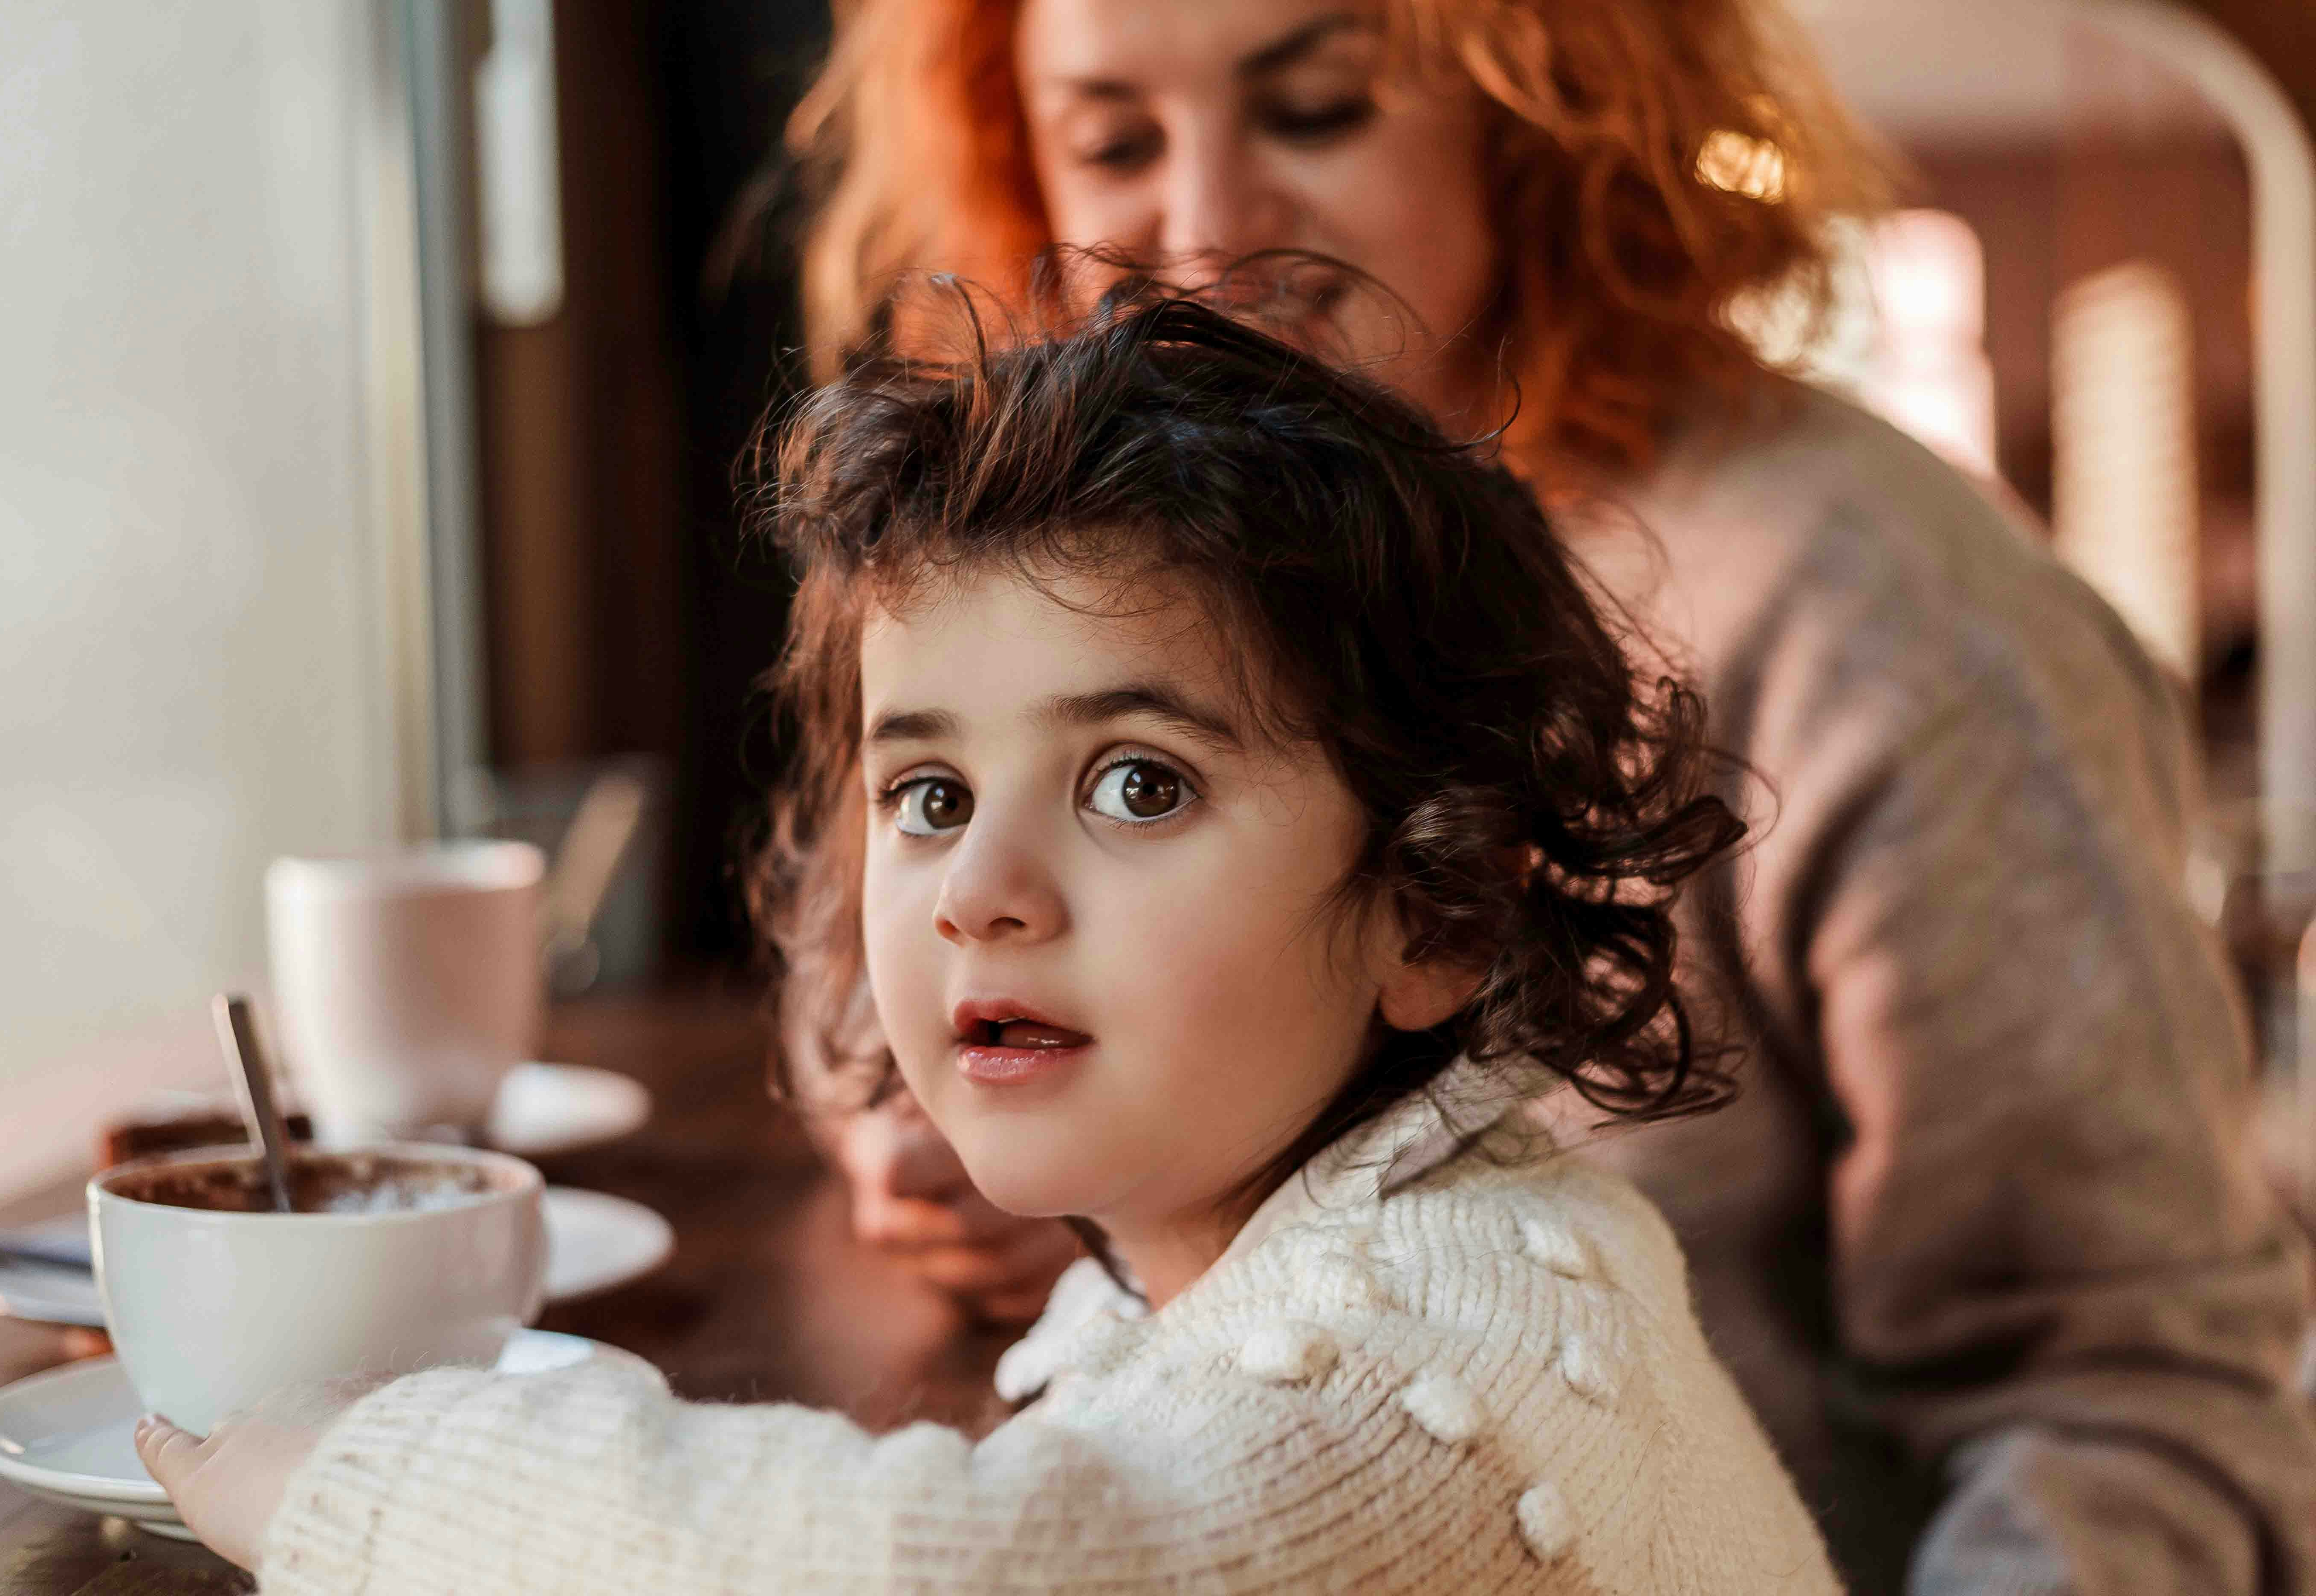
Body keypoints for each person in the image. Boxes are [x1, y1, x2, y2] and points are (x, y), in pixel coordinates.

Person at [780, 1, 2316, 1590]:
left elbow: (2142, 1399)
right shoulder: (1090, 576)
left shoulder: (1886, 616)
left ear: (1548, 110)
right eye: (1113, 142)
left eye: (1316, 109)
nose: (1205, 226)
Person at [140, 290, 1841, 1592]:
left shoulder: (1432, 1373)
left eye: (1137, 782)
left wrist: (355, 1485)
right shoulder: (1327, 1248)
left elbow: (954, 1569)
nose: (978, 890)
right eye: (932, 795)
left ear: (1440, 912)